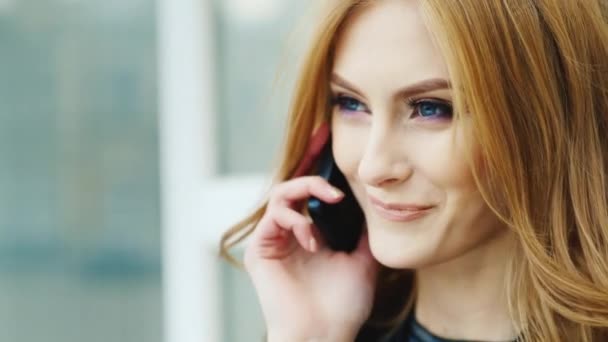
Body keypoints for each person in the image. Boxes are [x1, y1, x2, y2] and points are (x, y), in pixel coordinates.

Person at [220, 0, 608, 341]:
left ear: (546, 126)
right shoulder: (325, 326)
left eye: (430, 108)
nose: (373, 167)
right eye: (351, 104)